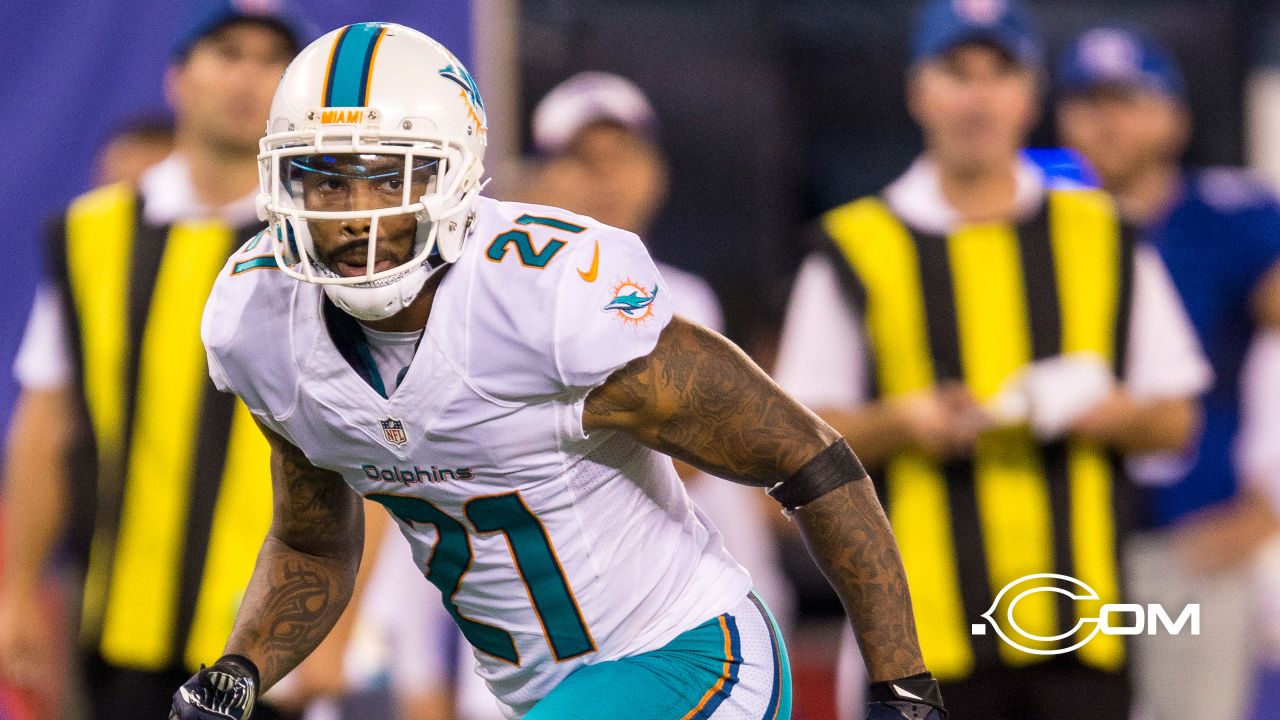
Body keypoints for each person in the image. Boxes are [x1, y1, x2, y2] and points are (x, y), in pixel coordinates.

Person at [168, 22, 945, 720]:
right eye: (327, 178)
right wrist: (240, 670)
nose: (356, 214)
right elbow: (311, 543)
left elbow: (805, 455)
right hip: (542, 696)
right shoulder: (260, 323)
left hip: (690, 654)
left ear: (453, 180)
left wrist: (902, 688)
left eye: (390, 176)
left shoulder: (542, 299)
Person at [773, 2, 1212, 719]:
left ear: (1029, 95)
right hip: (918, 639)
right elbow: (794, 435)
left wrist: (1106, 414)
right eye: (957, 73)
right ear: (919, 92)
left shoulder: (1102, 234)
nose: (977, 97)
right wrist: (898, 422)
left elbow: (1174, 418)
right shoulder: (856, 245)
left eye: (997, 74)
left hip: (1080, 638)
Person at [0, 4, 306, 719]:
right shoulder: (92, 234)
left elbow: (374, 434)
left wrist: (345, 626)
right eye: (228, 51)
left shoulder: (320, 245)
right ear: (177, 77)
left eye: (271, 60)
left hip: (270, 633)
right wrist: (17, 589)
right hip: (118, 627)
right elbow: (46, 427)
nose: (249, 76)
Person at [1056, 25, 1280, 720]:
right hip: (1061, 549)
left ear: (1174, 115)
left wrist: (1270, 508)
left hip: (1191, 541)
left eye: (1128, 98)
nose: (1107, 120)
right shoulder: (1033, 226)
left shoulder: (1231, 218)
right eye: (1088, 100)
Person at [524, 70, 795, 632]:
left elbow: (695, 455)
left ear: (656, 174)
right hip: (595, 610)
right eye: (582, 161)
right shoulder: (512, 305)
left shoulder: (686, 294)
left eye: (622, 157)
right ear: (540, 180)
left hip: (725, 591)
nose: (607, 180)